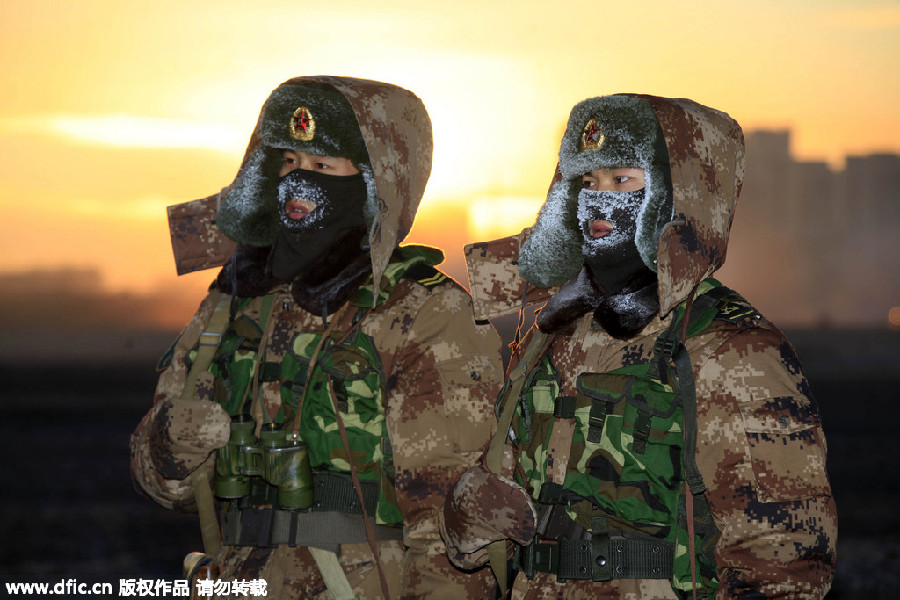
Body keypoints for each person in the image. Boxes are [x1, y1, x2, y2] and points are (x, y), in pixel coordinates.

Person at [441, 94, 837, 598]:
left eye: (623, 180)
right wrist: (466, 515)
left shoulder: (731, 347)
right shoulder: (555, 334)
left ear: (674, 197)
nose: (598, 201)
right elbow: (495, 501)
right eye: (588, 182)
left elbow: (780, 564)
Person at [130, 76, 503, 599]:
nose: (298, 182)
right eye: (288, 162)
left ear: (375, 183)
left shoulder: (425, 312)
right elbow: (165, 483)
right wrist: (169, 449)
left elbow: (452, 531)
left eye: (323, 166)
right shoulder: (236, 299)